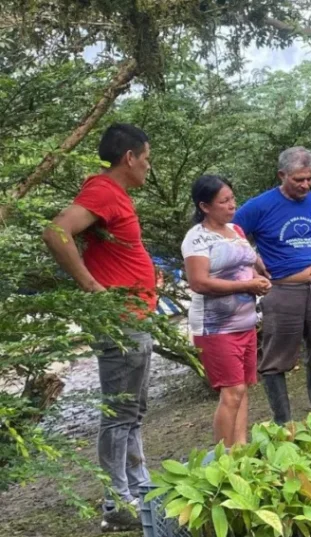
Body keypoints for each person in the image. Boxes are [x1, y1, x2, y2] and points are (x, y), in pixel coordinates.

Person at [41, 123, 156, 532]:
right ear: (129, 158)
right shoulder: (103, 190)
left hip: (134, 319)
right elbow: (56, 231)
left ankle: (138, 488)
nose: (148, 165)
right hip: (120, 322)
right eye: (146, 157)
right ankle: (116, 500)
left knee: (133, 410)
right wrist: (92, 288)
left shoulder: (115, 195)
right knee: (119, 413)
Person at [233, 147, 311, 425]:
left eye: (309, 179)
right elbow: (230, 236)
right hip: (283, 291)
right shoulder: (260, 205)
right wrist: (254, 264)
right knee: (277, 357)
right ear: (282, 175)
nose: (305, 185)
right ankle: (282, 423)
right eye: (298, 179)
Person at [182, 176, 271, 448]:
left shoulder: (236, 230)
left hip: (245, 322)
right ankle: (224, 455)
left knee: (243, 389)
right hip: (216, 327)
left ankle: (240, 449)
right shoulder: (197, 238)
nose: (232, 205)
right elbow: (198, 282)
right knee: (231, 392)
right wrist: (246, 285)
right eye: (224, 201)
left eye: (232, 198)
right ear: (205, 206)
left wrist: (261, 276)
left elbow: (250, 262)